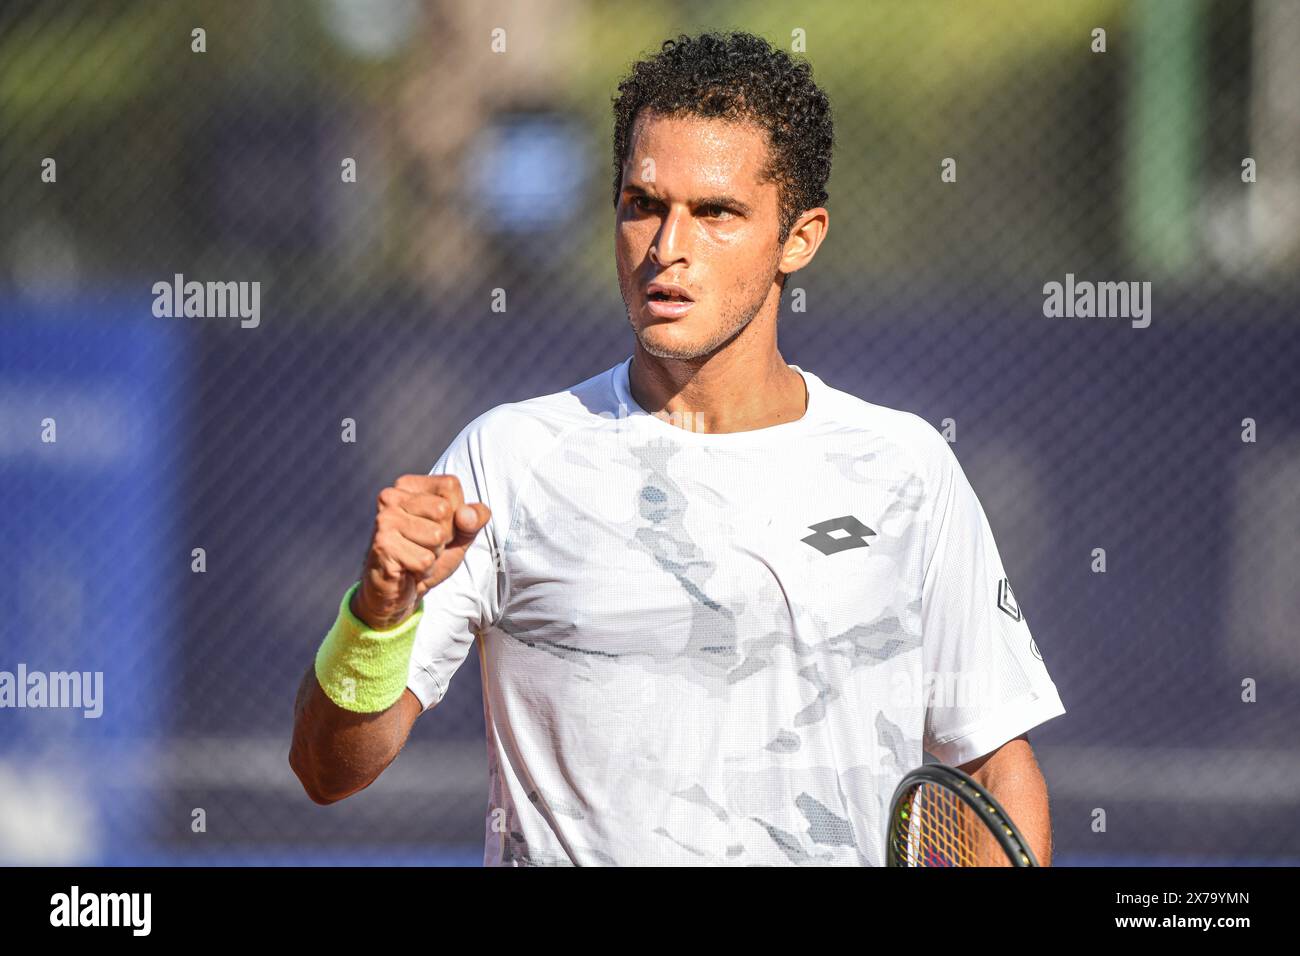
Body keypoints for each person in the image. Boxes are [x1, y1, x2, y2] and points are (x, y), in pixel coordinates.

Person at [290, 30, 1066, 866]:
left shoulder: (907, 468)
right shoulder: (505, 460)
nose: (667, 248)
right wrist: (377, 620)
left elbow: (992, 766)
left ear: (800, 238)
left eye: (716, 213)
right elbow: (328, 770)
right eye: (643, 205)